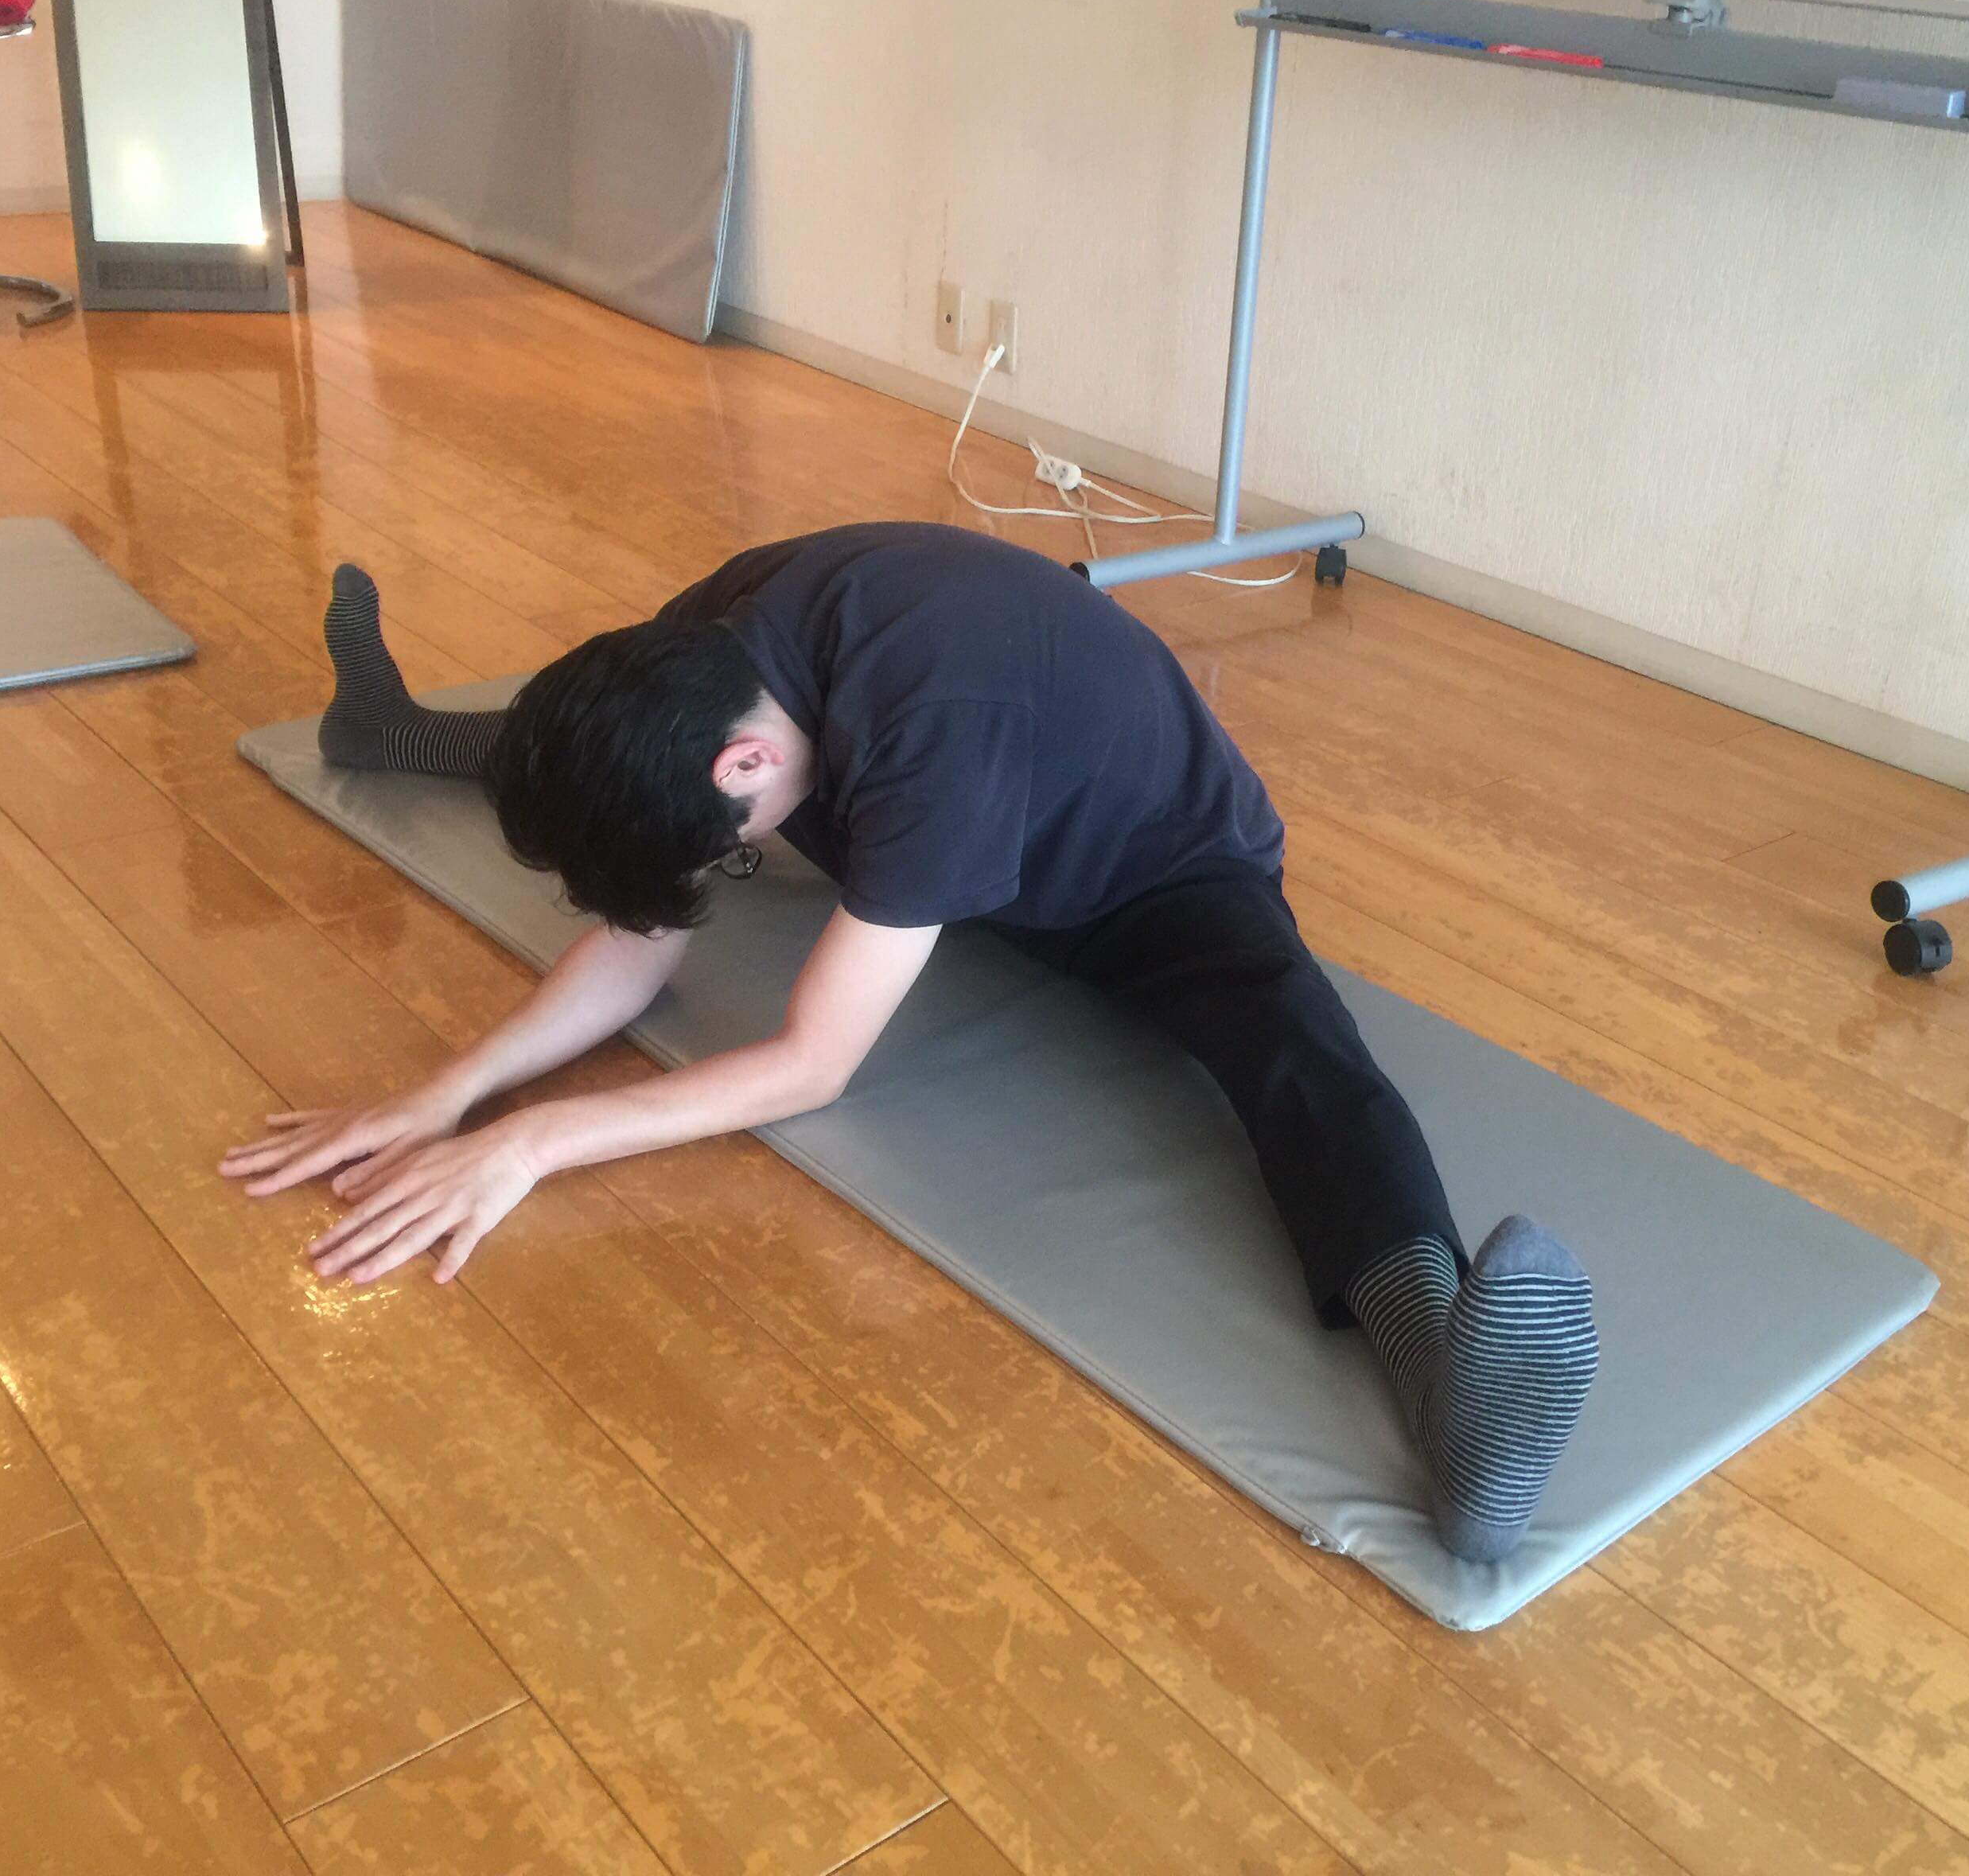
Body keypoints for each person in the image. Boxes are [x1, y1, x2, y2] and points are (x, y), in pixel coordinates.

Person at [220, 523, 1597, 1561]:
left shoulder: (935, 737)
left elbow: (811, 1065)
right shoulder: (702, 652)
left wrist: (528, 1145)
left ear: (746, 768)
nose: (712, 879)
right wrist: (446, 1094)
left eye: (717, 850)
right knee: (574, 766)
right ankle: (386, 729)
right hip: (939, 795)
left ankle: (1448, 1403)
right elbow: (638, 940)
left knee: (1297, 1054)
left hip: (1151, 868)